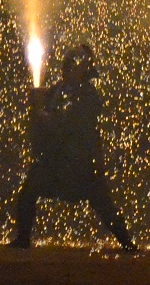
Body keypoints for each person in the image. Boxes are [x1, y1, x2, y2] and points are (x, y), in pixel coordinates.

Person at [11, 44, 135, 252]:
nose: (68, 70)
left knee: (104, 205)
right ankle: (22, 239)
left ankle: (127, 244)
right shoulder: (58, 90)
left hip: (82, 165)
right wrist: (35, 105)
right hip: (57, 162)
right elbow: (42, 121)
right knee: (29, 190)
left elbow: (70, 124)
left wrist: (44, 116)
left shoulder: (88, 95)